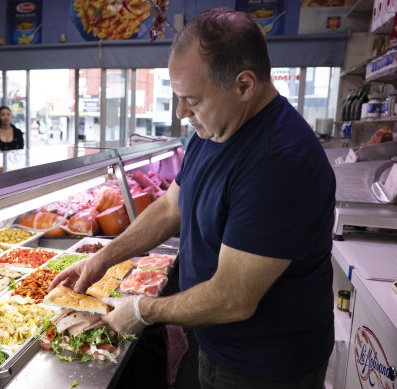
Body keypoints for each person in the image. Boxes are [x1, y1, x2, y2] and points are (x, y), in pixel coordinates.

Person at [51, 8, 336, 389]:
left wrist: (142, 309)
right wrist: (104, 258)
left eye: (193, 99)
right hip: (216, 340)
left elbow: (234, 298)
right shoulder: (212, 130)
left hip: (266, 366)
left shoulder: (280, 163)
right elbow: (171, 207)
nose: (182, 112)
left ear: (244, 85)